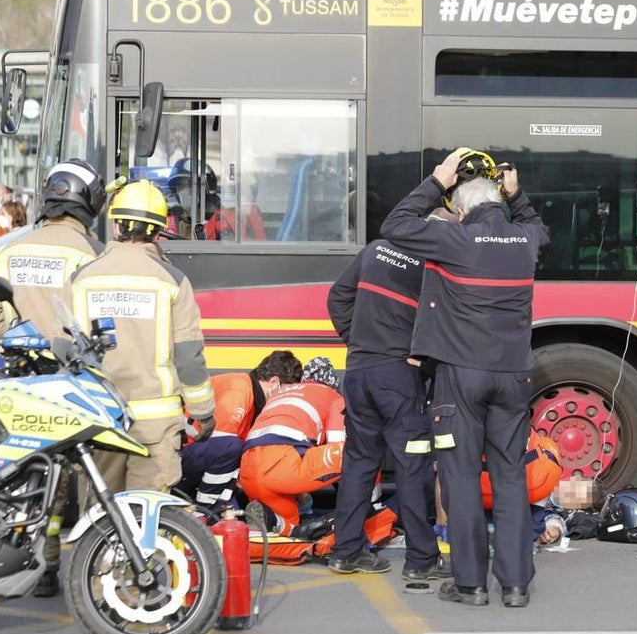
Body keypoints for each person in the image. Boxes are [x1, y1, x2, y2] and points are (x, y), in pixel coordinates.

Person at [381, 148, 549, 608]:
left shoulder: (453, 238)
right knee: (510, 477)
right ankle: (515, 586)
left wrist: (437, 180)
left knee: (460, 477)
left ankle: (471, 584)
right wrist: (518, 196)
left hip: (461, 377)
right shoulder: (525, 238)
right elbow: (541, 230)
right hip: (514, 376)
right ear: (498, 197)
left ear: (458, 208)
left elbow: (394, 225)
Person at [0, 159, 107, 598]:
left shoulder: (14, 249)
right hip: (76, 378)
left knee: (37, 476)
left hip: (27, 379)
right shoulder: (92, 253)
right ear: (89, 202)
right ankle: (95, 568)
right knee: (87, 475)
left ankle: (42, 566)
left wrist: (9, 340)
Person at [65, 179, 216, 494]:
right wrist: (203, 413)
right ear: (158, 231)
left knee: (102, 513)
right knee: (146, 513)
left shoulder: (81, 279)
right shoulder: (172, 281)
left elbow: (64, 349)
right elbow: (188, 356)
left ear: (116, 225)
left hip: (100, 420)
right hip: (155, 429)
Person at [324, 236, 447, 580]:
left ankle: (346, 551)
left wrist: (356, 343)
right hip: (398, 376)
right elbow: (445, 325)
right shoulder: (433, 263)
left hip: (358, 373)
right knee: (412, 466)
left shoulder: (376, 248)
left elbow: (338, 296)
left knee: (359, 463)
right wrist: (426, 366)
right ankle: (421, 559)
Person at [176, 350, 303, 508]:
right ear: (274, 382)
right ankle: (205, 508)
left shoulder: (252, 399)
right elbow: (222, 445)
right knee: (231, 446)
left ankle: (214, 509)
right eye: (288, 392)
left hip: (193, 457)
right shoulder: (239, 390)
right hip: (180, 458)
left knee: (233, 511)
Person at [239, 362, 348, 536]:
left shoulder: (280, 395)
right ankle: (370, 509)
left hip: (248, 472)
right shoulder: (334, 397)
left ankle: (271, 518)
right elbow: (337, 446)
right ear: (333, 384)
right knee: (358, 453)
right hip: (284, 467)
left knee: (291, 527)